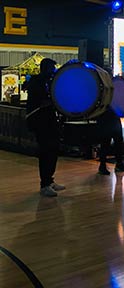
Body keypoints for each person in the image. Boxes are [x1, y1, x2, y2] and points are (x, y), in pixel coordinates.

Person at [25, 58, 65, 197]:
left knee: (53, 151)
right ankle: (44, 184)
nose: (53, 72)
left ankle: (50, 180)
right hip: (40, 123)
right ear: (46, 69)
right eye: (51, 69)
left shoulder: (49, 82)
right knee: (45, 153)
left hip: (50, 121)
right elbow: (40, 101)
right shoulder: (36, 82)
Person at [96, 107, 124, 175]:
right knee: (106, 143)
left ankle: (119, 164)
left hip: (113, 117)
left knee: (118, 141)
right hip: (105, 117)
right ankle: (103, 166)